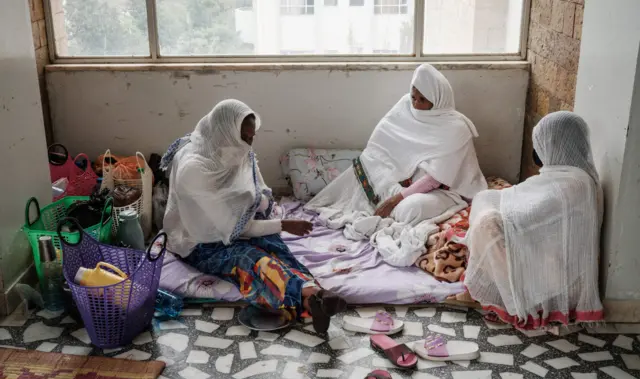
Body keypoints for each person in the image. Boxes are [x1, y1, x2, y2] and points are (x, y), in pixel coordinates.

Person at [161, 99, 346, 333]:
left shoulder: (234, 147)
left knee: (272, 245)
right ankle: (310, 296)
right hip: (198, 243)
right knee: (248, 258)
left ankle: (313, 292)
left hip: (232, 225)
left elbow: (258, 190)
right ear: (225, 132)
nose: (249, 144)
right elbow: (239, 229)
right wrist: (283, 224)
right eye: (244, 138)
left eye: (252, 137)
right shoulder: (194, 169)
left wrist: (266, 208)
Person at [306, 64, 487, 239]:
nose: (415, 104)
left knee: (411, 209)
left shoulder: (455, 128)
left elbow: (435, 179)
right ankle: (384, 205)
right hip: (405, 181)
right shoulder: (405, 106)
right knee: (372, 168)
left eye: (422, 100)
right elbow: (379, 149)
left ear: (438, 100)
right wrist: (392, 182)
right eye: (413, 96)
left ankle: (391, 208)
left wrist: (396, 199)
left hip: (442, 190)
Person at [459, 111, 604, 329]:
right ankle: (509, 291)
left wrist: (501, 213)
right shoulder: (566, 174)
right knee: (486, 198)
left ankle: (516, 305)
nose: (538, 151)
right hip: (547, 257)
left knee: (489, 225)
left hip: (556, 274)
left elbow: (529, 218)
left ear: (556, 144)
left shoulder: (576, 183)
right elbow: (535, 202)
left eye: (541, 144)